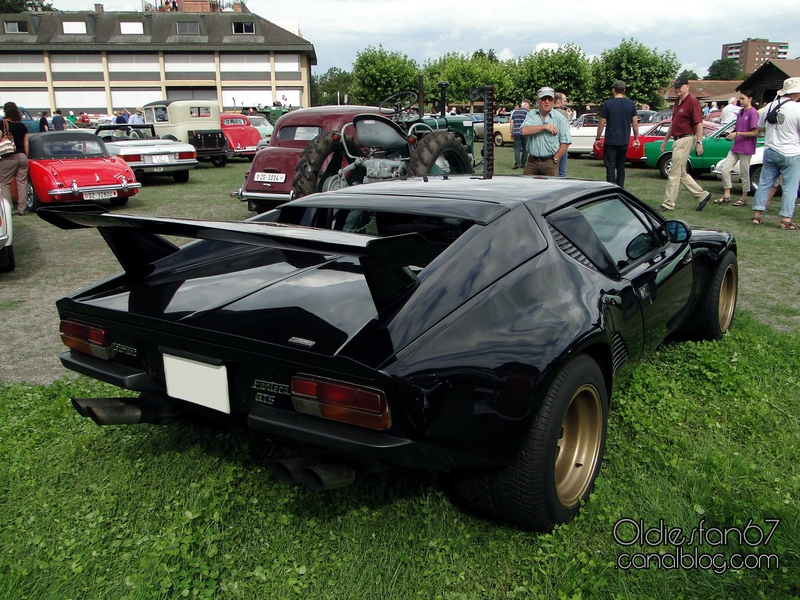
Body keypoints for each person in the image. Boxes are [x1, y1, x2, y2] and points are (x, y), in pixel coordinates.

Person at [750, 77, 800, 229]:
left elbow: (760, 127)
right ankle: (785, 218)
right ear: (796, 93)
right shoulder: (797, 108)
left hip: (770, 149)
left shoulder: (770, 106)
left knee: (765, 183)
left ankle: (757, 214)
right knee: (790, 187)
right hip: (791, 152)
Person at [658, 77, 713, 212]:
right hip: (677, 139)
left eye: (680, 86)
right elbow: (673, 123)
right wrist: (665, 140)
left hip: (686, 138)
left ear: (687, 86)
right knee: (681, 172)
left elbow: (699, 123)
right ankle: (702, 195)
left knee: (674, 172)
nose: (677, 89)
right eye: (676, 87)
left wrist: (699, 142)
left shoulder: (692, 101)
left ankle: (668, 203)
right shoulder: (677, 102)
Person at [715, 90, 759, 206]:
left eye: (743, 98)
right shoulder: (740, 112)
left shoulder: (753, 113)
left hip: (746, 147)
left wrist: (738, 134)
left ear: (750, 99)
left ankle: (744, 198)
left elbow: (754, 132)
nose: (741, 101)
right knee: (725, 169)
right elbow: (738, 128)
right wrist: (732, 134)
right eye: (740, 98)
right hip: (736, 146)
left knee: (744, 174)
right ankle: (727, 194)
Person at [594, 80, 639, 187]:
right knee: (621, 165)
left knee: (610, 166)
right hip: (624, 140)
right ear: (624, 90)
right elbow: (635, 123)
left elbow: (602, 123)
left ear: (613, 89)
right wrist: (636, 138)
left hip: (611, 140)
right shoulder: (631, 104)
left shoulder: (607, 104)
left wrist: (598, 138)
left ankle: (611, 188)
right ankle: (620, 188)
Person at [519, 86, 571, 177]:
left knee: (551, 189)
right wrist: (545, 126)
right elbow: (524, 131)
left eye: (550, 99)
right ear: (538, 101)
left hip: (550, 162)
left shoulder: (560, 119)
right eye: (544, 99)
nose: (547, 102)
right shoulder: (531, 115)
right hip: (532, 162)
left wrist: (556, 159)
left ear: (553, 101)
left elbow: (566, 142)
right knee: (527, 188)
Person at [0, 102, 30, 216]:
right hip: (22, 157)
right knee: (22, 182)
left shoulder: (3, 123)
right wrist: (25, 156)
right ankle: (22, 209)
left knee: (4, 183)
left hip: (8, 157)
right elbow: (26, 144)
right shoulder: (22, 125)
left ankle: (8, 208)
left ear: (5, 111)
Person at [509, 99, 530, 169]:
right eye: (528, 105)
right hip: (525, 132)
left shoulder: (515, 112)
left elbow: (511, 122)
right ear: (526, 104)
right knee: (525, 149)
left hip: (516, 132)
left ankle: (517, 162)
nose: (528, 107)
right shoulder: (527, 112)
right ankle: (523, 164)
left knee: (517, 149)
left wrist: (511, 131)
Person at [553, 93, 570, 177]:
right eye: (564, 101)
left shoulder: (549, 112)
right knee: (562, 170)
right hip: (561, 143)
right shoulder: (563, 113)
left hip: (551, 144)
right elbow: (566, 129)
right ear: (558, 101)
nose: (565, 103)